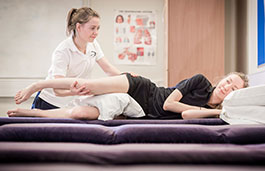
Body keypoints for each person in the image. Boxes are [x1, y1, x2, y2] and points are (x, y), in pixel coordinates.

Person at [10, 72, 248, 120]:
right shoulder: (200, 81)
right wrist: (213, 111)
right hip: (140, 88)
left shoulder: (213, 113)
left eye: (234, 89)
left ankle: (33, 113)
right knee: (86, 85)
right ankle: (37, 85)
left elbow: (186, 115)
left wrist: (216, 111)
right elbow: (169, 103)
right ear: (222, 79)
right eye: (228, 81)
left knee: (82, 113)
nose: (228, 87)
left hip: (140, 110)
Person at [33, 7, 121, 110]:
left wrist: (127, 78)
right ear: (78, 27)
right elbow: (58, 89)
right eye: (92, 28)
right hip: (50, 102)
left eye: (98, 28)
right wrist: (72, 92)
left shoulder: (93, 45)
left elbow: (108, 68)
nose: (96, 32)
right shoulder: (63, 51)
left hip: (72, 103)